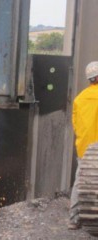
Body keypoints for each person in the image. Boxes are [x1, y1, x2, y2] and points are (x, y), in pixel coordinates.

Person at [69, 61, 98, 230]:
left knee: (81, 181)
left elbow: (76, 124)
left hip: (84, 150)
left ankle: (74, 219)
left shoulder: (79, 99)